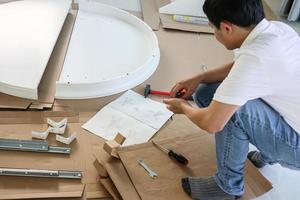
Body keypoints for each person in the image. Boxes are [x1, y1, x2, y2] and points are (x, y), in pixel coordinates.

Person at [163, 0, 300, 199]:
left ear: (227, 27)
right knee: (207, 91)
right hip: (293, 121)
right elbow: (241, 68)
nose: (215, 34)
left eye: (213, 28)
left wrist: (183, 107)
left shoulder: (257, 58)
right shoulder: (277, 30)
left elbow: (212, 123)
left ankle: (227, 187)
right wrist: (199, 77)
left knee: (230, 111)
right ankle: (269, 153)